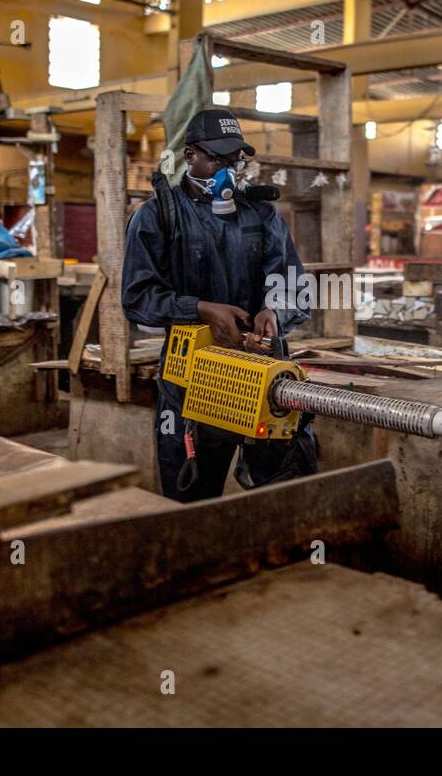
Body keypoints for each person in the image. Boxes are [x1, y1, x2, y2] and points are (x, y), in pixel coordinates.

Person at [121, 109, 317, 501]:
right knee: (192, 494)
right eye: (219, 160)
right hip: (193, 373)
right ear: (191, 156)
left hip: (263, 371)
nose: (230, 169)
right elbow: (138, 298)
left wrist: (273, 311)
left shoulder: (261, 214)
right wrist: (200, 309)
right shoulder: (158, 216)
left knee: (284, 490)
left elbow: (294, 285)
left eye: (236, 161)